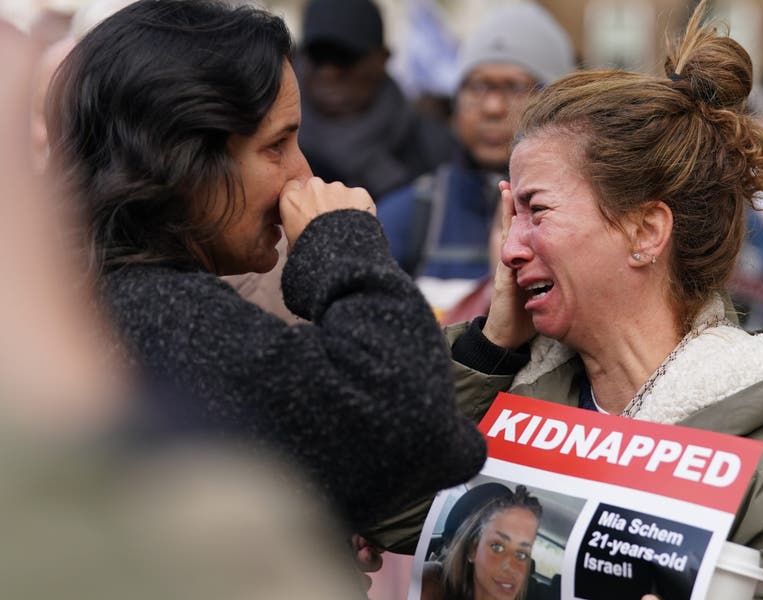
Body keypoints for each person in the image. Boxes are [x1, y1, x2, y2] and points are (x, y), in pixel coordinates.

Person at [45, 0, 486, 538]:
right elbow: (415, 426)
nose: (302, 173)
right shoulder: (158, 312)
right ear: (182, 159)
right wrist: (339, 244)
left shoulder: (88, 296)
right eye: (276, 144)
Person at [444, 3, 763, 599]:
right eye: (510, 214)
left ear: (646, 231)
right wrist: (489, 347)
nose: (510, 249)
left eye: (537, 210)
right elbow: (393, 514)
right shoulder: (514, 390)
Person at [377, 3, 576, 314]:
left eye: (514, 87)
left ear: (555, 101)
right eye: (477, 86)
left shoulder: (583, 221)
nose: (493, 107)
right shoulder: (409, 217)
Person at [296, 0, 456, 200]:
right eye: (318, 56)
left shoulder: (431, 145)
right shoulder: (274, 144)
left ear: (383, 58)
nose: (330, 72)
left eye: (345, 57)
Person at [421, 485, 543, 600]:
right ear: (473, 549)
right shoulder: (430, 586)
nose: (511, 567)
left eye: (521, 554)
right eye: (497, 547)